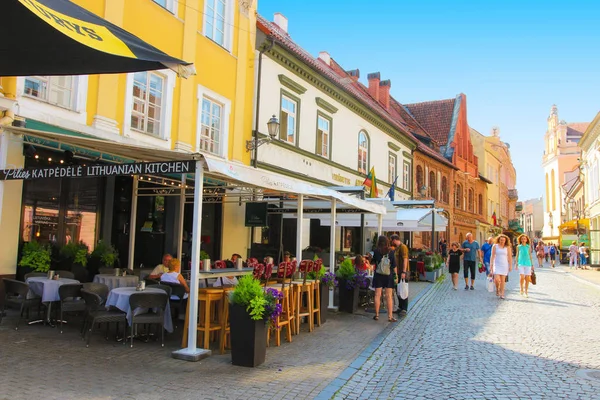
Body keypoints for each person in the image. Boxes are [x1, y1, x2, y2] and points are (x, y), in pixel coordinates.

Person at [371, 235, 398, 323]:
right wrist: (396, 275)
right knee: (389, 296)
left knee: (377, 295)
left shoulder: (376, 251)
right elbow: (394, 265)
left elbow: (373, 262)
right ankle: (390, 316)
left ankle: (377, 315)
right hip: (388, 275)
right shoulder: (391, 251)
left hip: (378, 275)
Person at [390, 234, 409, 316]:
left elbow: (405, 259)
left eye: (391, 241)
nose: (391, 242)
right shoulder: (396, 248)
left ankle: (404, 308)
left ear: (394, 240)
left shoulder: (403, 247)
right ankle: (400, 307)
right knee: (398, 290)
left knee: (403, 289)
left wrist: (404, 272)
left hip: (402, 272)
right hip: (397, 272)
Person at [490, 234, 512, 299]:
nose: (502, 241)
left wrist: (510, 265)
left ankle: (502, 293)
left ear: (505, 241)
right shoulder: (495, 246)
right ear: (498, 240)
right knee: (496, 279)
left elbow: (510, 257)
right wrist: (491, 264)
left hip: (504, 265)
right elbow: (492, 255)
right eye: (501, 240)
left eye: (503, 240)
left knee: (503, 280)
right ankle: (497, 288)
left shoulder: (507, 247)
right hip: (496, 264)